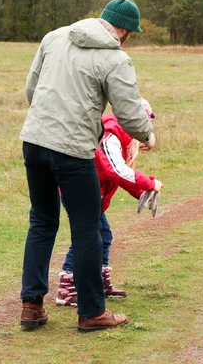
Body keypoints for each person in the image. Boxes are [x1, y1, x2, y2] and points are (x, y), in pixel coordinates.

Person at [19, 0, 156, 333]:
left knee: (42, 221)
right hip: (73, 151)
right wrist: (147, 135)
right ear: (123, 30)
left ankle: (31, 307)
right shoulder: (115, 58)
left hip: (34, 142)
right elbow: (127, 111)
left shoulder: (54, 36)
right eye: (130, 33)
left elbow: (31, 89)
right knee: (86, 230)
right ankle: (92, 312)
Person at [57, 99, 163, 307]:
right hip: (79, 191)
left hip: (91, 193)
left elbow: (116, 174)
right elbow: (115, 170)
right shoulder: (110, 134)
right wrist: (148, 183)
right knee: (86, 237)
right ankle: (67, 288)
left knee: (103, 236)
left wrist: (141, 191)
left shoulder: (120, 137)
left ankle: (99, 281)